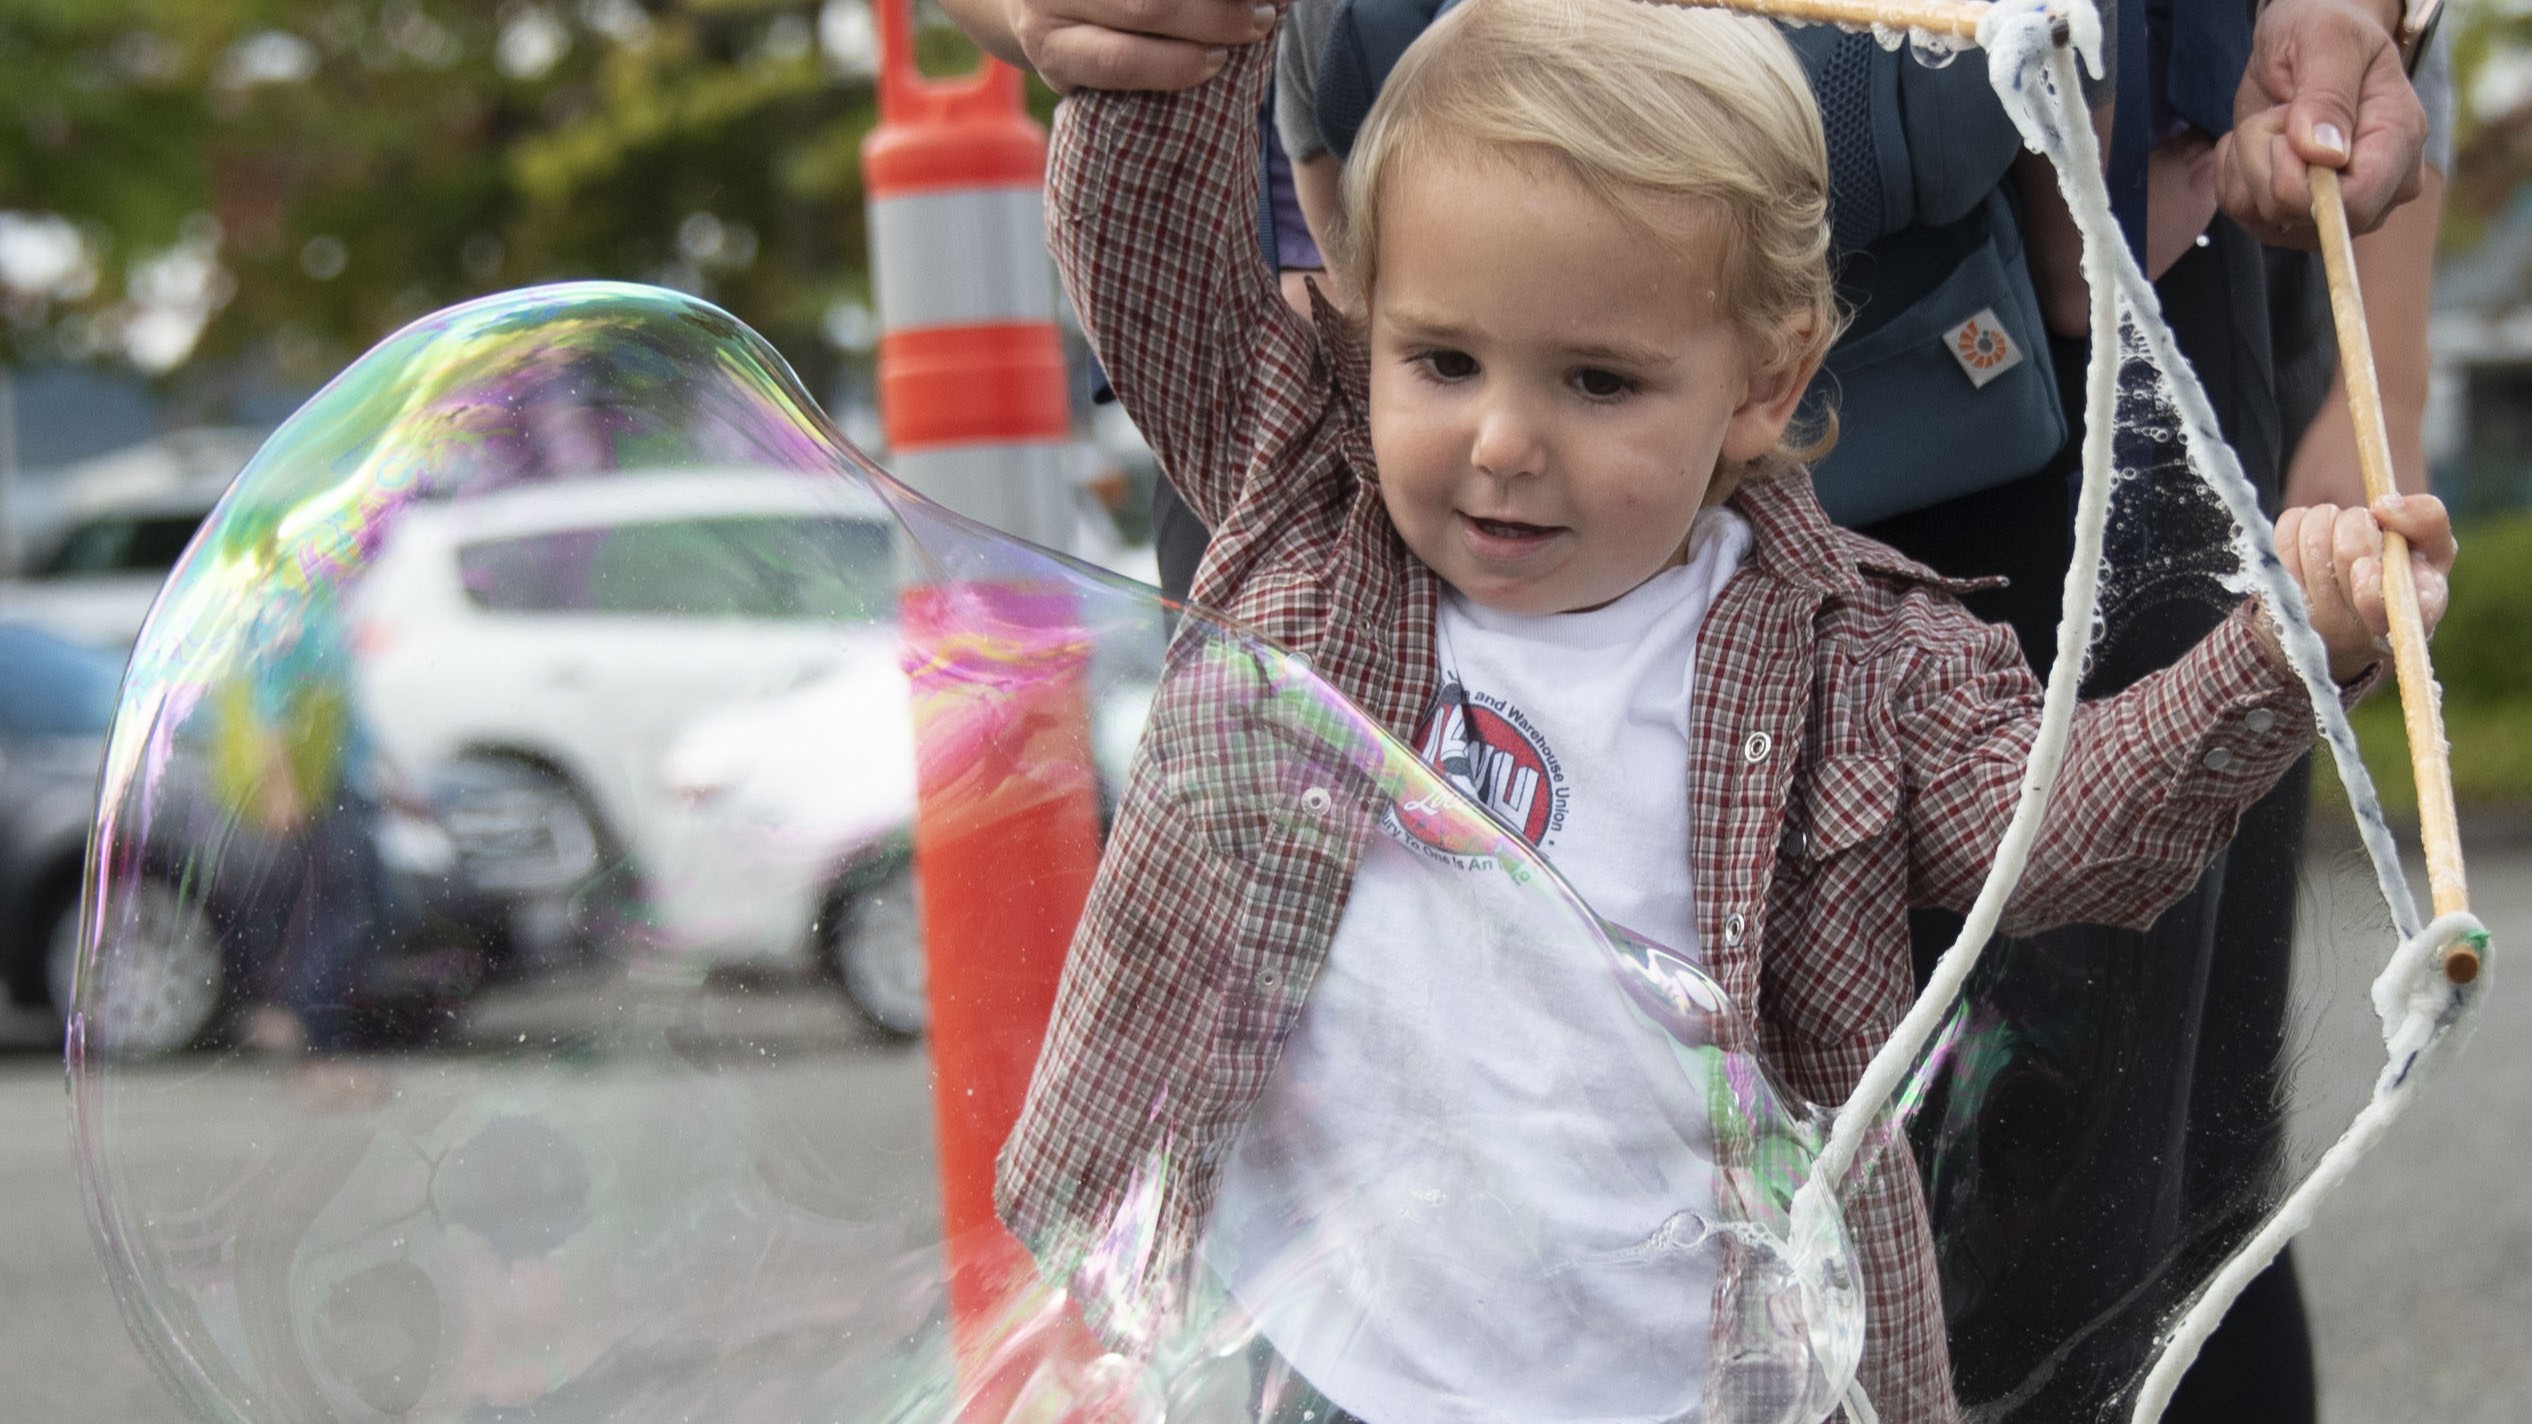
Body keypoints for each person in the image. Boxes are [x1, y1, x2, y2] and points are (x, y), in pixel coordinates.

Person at [989, 3, 2456, 1422]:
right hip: (1322, 1358)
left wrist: (2280, 655)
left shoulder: (1853, 656)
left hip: (1694, 1383)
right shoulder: (1301, 511)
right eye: (1443, 361)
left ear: (1766, 386)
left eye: (1599, 381)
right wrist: (1158, 53)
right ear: (1364, 320)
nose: (1503, 441)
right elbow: (1149, 255)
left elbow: (2063, 832)